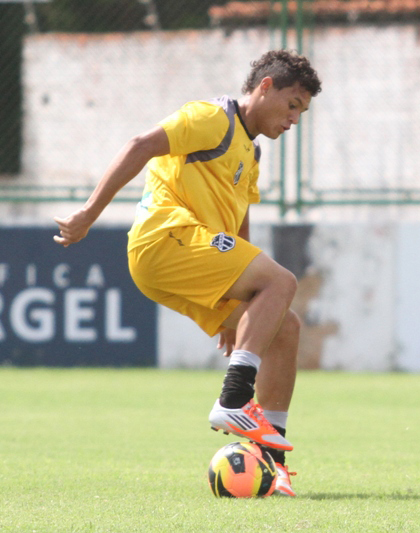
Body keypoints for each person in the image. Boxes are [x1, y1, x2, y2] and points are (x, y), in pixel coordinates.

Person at [54, 49, 322, 497]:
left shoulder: (251, 150)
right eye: (292, 105)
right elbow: (139, 145)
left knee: (284, 327)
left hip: (186, 254)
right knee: (283, 282)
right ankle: (234, 398)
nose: (294, 119)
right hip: (165, 238)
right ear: (265, 87)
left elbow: (239, 222)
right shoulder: (213, 118)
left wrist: (242, 297)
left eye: (302, 112)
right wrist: (88, 214)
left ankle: (272, 467)